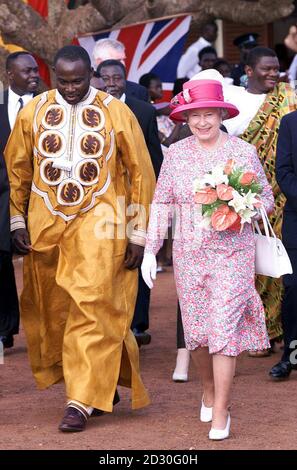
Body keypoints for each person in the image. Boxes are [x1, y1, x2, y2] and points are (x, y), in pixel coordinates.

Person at [4, 45, 155, 432]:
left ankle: (81, 400)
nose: (71, 88)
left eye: (79, 80)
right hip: (45, 226)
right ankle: (101, 382)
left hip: (102, 223)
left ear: (92, 74)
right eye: (64, 81)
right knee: (55, 310)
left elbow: (140, 174)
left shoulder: (115, 111)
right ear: (53, 73)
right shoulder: (33, 111)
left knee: (93, 304)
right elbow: (17, 170)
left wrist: (137, 233)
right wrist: (17, 222)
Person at [141, 77, 274, 440]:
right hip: (190, 254)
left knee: (224, 329)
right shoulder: (177, 155)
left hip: (233, 253)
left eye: (209, 114)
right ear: (185, 117)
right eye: (195, 115)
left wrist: (242, 204)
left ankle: (221, 411)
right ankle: (209, 388)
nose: (202, 122)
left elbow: (266, 199)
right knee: (198, 336)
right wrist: (150, 250)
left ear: (220, 114)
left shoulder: (242, 151)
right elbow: (162, 203)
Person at [224, 47, 297, 355]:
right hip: (249, 195)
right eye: (266, 69)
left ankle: (281, 330)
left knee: (283, 265)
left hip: (287, 198)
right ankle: (257, 332)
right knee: (253, 264)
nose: (272, 73)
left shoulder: (289, 97)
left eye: (276, 68)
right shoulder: (235, 101)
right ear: (249, 70)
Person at [97, 59, 163, 346]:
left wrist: (156, 197)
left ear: (126, 81)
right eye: (105, 78)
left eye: (117, 78)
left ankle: (138, 324)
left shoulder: (144, 111)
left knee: (138, 255)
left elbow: (154, 158)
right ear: (98, 80)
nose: (111, 83)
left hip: (137, 198)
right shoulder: (90, 111)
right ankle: (108, 321)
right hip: (101, 202)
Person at [0, 51, 40, 349]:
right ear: (9, 75)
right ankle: (6, 327)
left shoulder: (49, 105)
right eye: (26, 72)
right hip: (3, 196)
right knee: (2, 261)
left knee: (45, 260)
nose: (33, 75)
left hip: (44, 195)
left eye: (35, 70)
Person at [270, 111, 297, 380]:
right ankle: (290, 356)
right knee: (294, 288)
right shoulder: (290, 122)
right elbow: (284, 170)